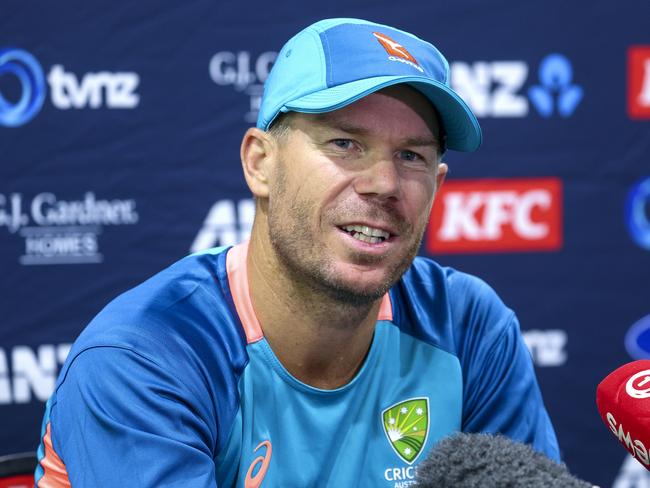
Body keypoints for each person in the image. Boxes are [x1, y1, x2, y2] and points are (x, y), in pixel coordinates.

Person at [35, 18, 559, 487]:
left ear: (438, 184)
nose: (384, 183)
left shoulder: (467, 327)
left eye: (411, 156)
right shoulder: (147, 357)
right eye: (344, 144)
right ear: (260, 163)